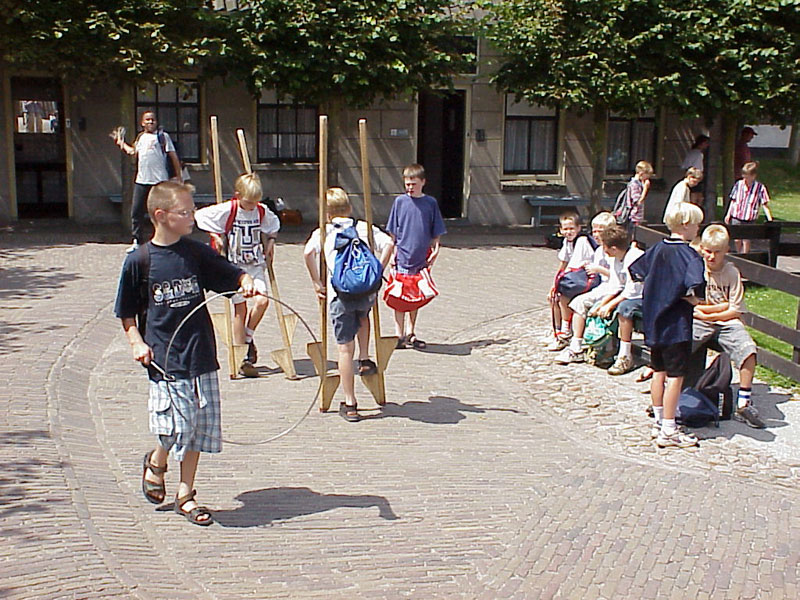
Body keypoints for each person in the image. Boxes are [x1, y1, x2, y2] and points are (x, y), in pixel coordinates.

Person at [114, 181, 256, 526]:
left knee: (198, 426)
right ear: (161, 216)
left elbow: (228, 274)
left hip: (200, 352)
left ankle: (186, 494)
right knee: (177, 424)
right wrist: (137, 341)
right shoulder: (140, 261)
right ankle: (157, 461)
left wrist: (244, 282)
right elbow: (126, 312)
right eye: (185, 212)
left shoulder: (195, 253)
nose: (192, 216)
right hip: (163, 355)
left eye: (192, 210)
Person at [304, 187, 394, 422]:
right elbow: (389, 245)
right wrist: (377, 271)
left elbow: (307, 253)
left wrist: (317, 282)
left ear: (327, 213)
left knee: (344, 349)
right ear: (349, 208)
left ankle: (350, 402)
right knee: (363, 318)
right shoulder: (364, 227)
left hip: (339, 295)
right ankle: (365, 358)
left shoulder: (323, 233)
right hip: (365, 292)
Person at [630, 202, 706, 448]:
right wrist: (691, 298)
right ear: (686, 225)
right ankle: (670, 429)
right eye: (696, 223)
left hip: (654, 320)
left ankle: (660, 420)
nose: (698, 228)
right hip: (676, 324)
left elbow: (636, 270)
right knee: (675, 377)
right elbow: (696, 287)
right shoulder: (690, 255)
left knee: (658, 370)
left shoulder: (657, 248)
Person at [195, 172, 280, 377]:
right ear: (237, 195)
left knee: (262, 301)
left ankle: (247, 339)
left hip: (255, 264)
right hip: (235, 268)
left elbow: (273, 225)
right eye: (248, 202)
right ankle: (240, 355)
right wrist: (215, 234)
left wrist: (271, 240)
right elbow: (200, 216)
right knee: (239, 309)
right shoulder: (229, 209)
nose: (252, 206)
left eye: (255, 202)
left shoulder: (261, 211)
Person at [693, 224, 765, 428]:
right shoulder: (697, 269)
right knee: (680, 343)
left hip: (727, 322)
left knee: (748, 350)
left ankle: (744, 402)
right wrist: (711, 310)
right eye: (708, 251)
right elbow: (691, 303)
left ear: (726, 250)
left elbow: (735, 310)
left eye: (717, 252)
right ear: (702, 249)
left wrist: (709, 311)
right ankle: (673, 391)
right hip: (699, 321)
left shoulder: (732, 273)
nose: (711, 257)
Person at [385, 164, 447, 349]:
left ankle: (411, 332)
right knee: (398, 295)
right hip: (402, 255)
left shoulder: (430, 203)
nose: (410, 188)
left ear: (423, 182)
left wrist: (436, 247)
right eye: (407, 184)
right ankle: (399, 333)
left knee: (415, 295)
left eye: (413, 184)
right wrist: (391, 253)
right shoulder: (400, 202)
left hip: (421, 256)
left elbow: (435, 229)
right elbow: (393, 232)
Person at [554, 222, 632, 364]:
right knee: (577, 301)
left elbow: (625, 286)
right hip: (607, 287)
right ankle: (576, 344)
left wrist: (606, 304)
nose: (596, 235)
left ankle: (587, 347)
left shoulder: (625, 257)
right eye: (594, 231)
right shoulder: (606, 253)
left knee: (590, 305)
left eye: (600, 231)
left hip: (623, 292)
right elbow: (615, 283)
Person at [112, 111, 182, 253]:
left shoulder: (162, 137)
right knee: (136, 212)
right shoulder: (141, 138)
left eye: (153, 120)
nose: (150, 122)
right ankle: (138, 240)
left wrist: (179, 177)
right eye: (147, 120)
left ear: (156, 122)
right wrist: (121, 143)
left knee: (161, 212)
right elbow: (133, 152)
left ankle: (165, 240)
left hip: (159, 181)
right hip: (142, 181)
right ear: (142, 123)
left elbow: (173, 157)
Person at [545, 211, 598, 351]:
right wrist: (553, 284)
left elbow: (573, 267)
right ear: (561, 230)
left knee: (562, 296)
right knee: (553, 297)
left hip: (587, 279)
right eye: (565, 229)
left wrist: (559, 284)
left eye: (571, 228)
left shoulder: (581, 241)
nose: (568, 232)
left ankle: (565, 331)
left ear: (579, 228)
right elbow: (563, 264)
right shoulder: (567, 242)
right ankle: (557, 330)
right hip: (575, 278)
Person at [724, 161, 774, 254]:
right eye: (744, 176)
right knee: (736, 239)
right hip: (737, 215)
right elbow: (733, 200)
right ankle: (739, 253)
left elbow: (765, 204)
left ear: (753, 176)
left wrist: (769, 218)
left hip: (749, 217)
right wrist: (728, 214)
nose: (745, 179)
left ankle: (745, 255)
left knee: (746, 239)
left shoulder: (760, 188)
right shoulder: (738, 184)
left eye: (747, 177)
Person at [623, 161, 654, 235]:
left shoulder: (638, 184)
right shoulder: (634, 185)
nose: (647, 179)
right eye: (647, 176)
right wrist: (645, 189)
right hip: (634, 217)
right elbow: (638, 201)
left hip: (637, 217)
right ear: (641, 174)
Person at [681, 135, 710, 205]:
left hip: (689, 175)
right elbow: (698, 168)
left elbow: (684, 166)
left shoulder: (690, 153)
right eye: (706, 143)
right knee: (697, 197)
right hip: (696, 176)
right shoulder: (699, 154)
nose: (707, 145)